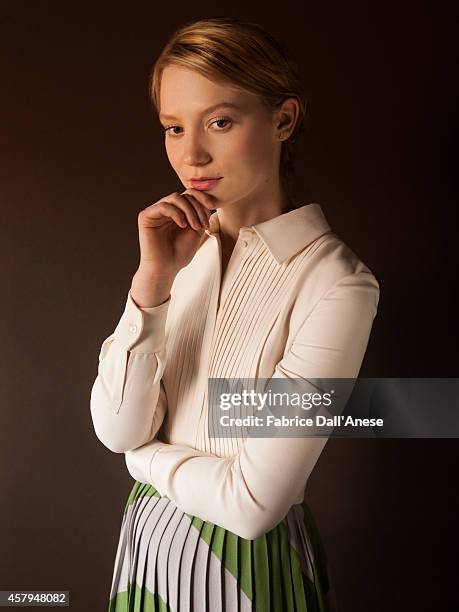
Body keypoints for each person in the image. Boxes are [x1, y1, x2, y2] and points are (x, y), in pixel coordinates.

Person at [90, 16, 380, 612]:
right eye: (173, 127)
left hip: (248, 574)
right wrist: (152, 285)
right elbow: (117, 426)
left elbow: (253, 504)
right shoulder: (177, 256)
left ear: (283, 119)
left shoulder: (335, 284)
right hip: (144, 553)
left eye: (220, 121)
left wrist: (140, 459)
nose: (191, 154)